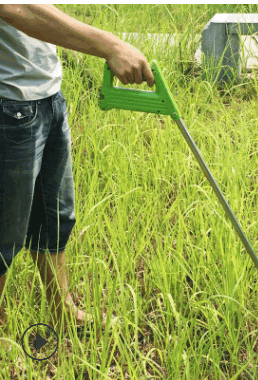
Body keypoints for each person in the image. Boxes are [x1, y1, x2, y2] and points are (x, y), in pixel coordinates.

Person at [0, 4, 155, 354]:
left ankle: (63, 311)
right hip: (7, 103)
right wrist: (109, 44)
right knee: (4, 233)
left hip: (46, 95)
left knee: (54, 217)